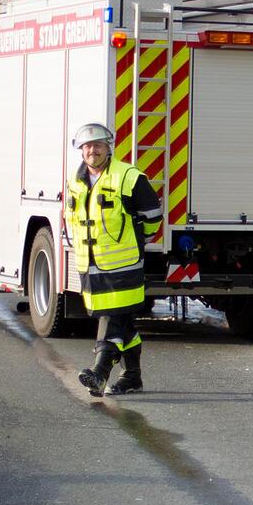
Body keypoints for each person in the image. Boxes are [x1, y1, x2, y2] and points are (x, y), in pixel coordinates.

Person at [65, 123, 162, 396]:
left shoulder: (128, 176)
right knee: (124, 322)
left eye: (97, 145)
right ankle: (132, 377)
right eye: (87, 146)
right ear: (81, 151)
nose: (91, 150)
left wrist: (139, 240)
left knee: (111, 319)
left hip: (124, 266)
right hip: (90, 266)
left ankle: (99, 374)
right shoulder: (76, 180)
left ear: (109, 147)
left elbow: (153, 216)